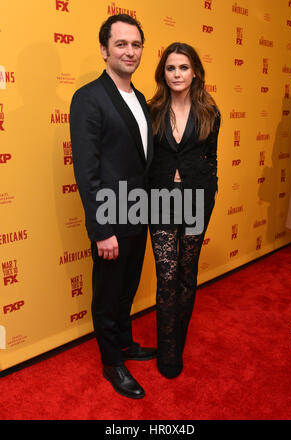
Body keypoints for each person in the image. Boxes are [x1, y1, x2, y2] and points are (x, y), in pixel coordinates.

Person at [70, 14, 155, 400]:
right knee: (107, 294)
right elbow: (87, 171)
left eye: (135, 44)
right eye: (121, 44)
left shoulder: (141, 99)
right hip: (111, 218)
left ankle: (125, 343)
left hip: (139, 214)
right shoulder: (89, 97)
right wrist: (102, 229)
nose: (130, 51)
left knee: (128, 288)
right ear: (104, 50)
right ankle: (111, 362)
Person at [148, 42, 220, 378]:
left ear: (195, 72)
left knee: (187, 276)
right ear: (163, 73)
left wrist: (210, 189)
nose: (177, 74)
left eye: (183, 68)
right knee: (167, 277)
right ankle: (167, 350)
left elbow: (212, 157)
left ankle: (179, 342)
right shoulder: (151, 110)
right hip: (160, 198)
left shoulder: (210, 112)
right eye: (171, 68)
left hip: (196, 199)